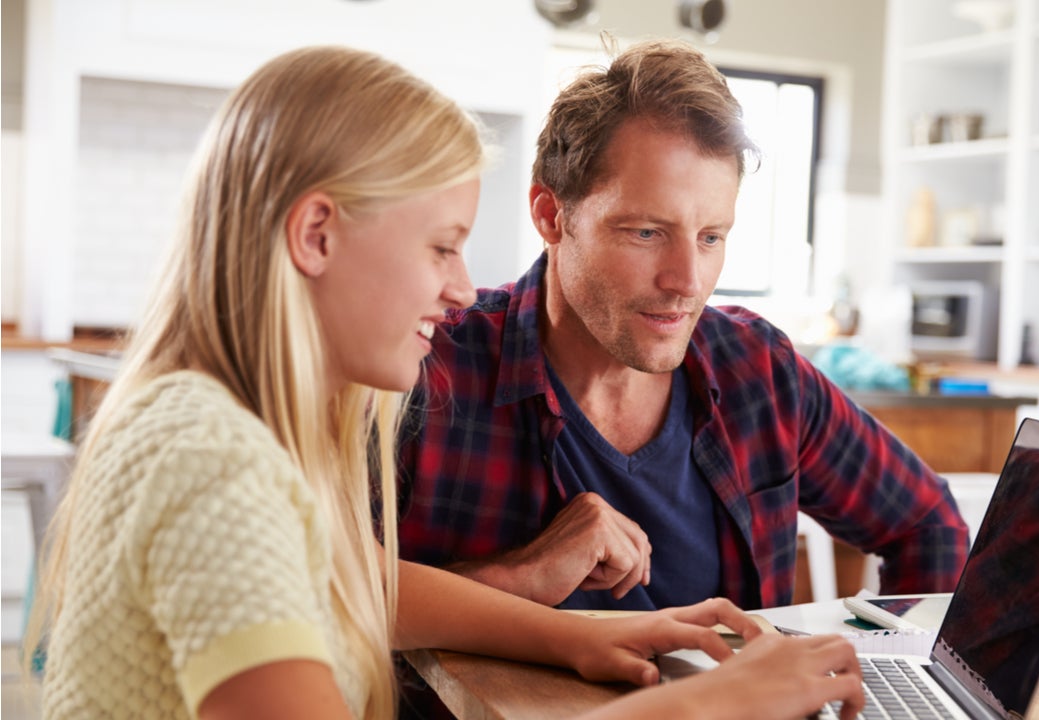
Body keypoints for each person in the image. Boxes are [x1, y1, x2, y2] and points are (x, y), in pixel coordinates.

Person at [22, 45, 866, 720]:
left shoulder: (214, 426)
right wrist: (706, 707)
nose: (465, 287)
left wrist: (573, 635)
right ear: (317, 235)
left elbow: (358, 587)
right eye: (441, 245)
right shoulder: (214, 459)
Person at [396, 37, 969, 614]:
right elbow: (329, 606)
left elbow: (928, 525)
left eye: (711, 237)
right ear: (551, 215)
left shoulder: (759, 370)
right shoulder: (422, 366)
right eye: (646, 232)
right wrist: (522, 576)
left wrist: (897, 665)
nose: (687, 281)